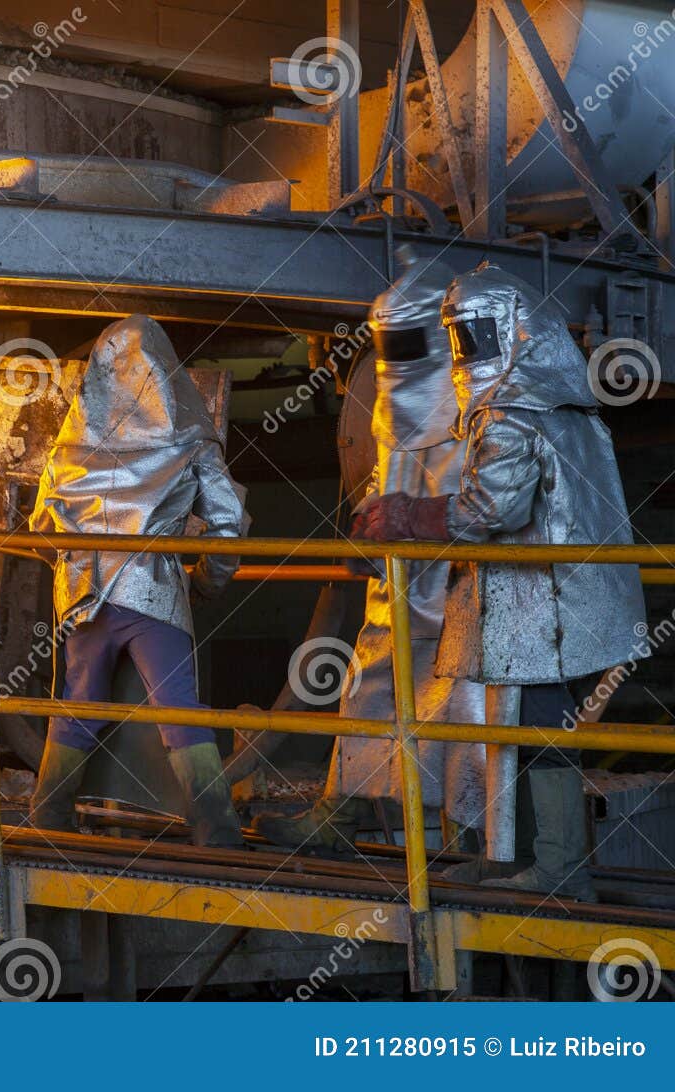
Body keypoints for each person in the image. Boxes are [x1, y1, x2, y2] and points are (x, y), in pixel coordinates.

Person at [357, 262, 646, 902]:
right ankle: (512, 855)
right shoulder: (562, 406)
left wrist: (406, 515)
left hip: (542, 604)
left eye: (477, 337)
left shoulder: (510, 413)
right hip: (549, 598)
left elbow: (494, 511)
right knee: (515, 729)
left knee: (537, 728)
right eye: (459, 339)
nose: (467, 355)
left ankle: (560, 868)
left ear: (514, 331)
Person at [256, 252, 486, 856]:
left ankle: (472, 843)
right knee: (367, 685)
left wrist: (414, 519)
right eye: (390, 346)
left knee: (464, 709)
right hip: (398, 588)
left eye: (409, 343)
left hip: (465, 595)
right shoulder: (394, 400)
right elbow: (389, 476)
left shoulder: (479, 409)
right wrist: (369, 518)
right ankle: (341, 815)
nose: (399, 362)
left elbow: (491, 509)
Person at [27, 314, 246, 845]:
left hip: (81, 597)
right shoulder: (192, 440)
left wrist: (79, 567)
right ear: (168, 375)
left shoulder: (68, 445)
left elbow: (40, 531)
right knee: (178, 709)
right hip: (155, 595)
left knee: (79, 701)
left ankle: (47, 817)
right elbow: (227, 525)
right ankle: (215, 830)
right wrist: (207, 584)